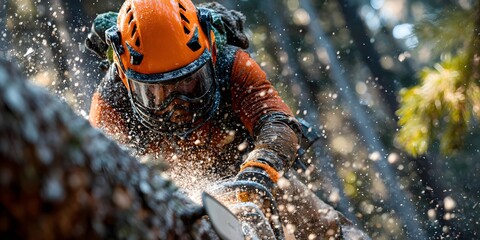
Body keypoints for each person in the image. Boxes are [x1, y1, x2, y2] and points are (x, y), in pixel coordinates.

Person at [87, 0, 369, 239]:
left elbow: (278, 122)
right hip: (169, 192)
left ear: (208, 52)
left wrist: (259, 171)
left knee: (330, 228)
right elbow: (104, 176)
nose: (178, 105)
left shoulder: (231, 64)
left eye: (189, 84)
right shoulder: (111, 101)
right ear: (126, 77)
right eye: (157, 93)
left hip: (248, 169)